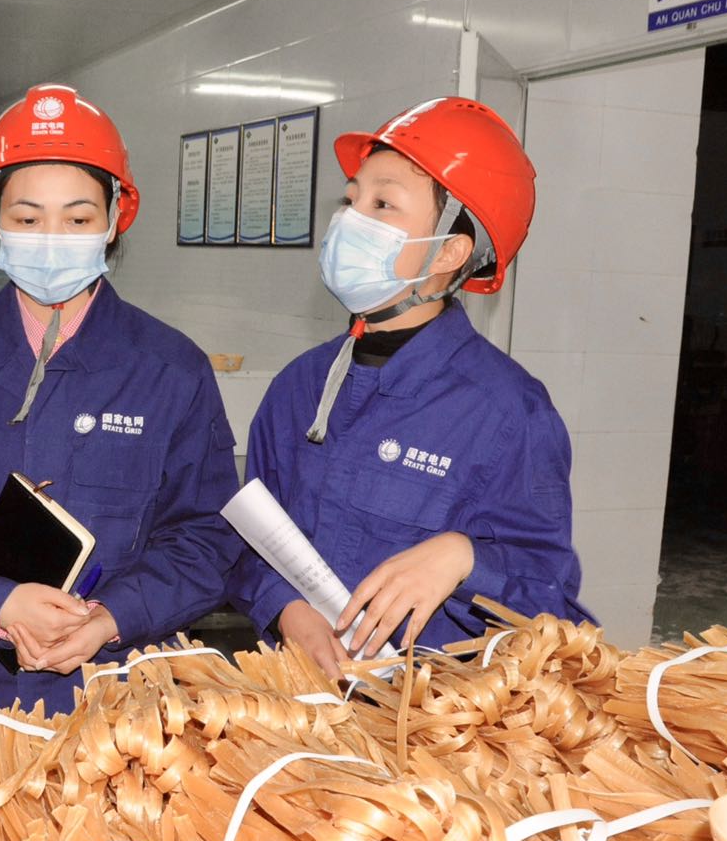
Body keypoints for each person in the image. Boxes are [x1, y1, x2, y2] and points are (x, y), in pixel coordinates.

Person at [0, 83, 241, 725]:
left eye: (78, 218)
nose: (52, 238)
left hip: (123, 698)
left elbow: (205, 536)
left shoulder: (172, 370)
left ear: (114, 219)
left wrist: (114, 616)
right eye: (29, 219)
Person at [232, 97, 593, 677]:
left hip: (430, 714)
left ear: (449, 251)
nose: (350, 221)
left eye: (382, 204)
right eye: (351, 200)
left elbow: (551, 604)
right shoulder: (300, 386)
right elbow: (248, 544)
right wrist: (285, 610)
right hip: (294, 701)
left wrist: (464, 558)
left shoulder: (508, 411)